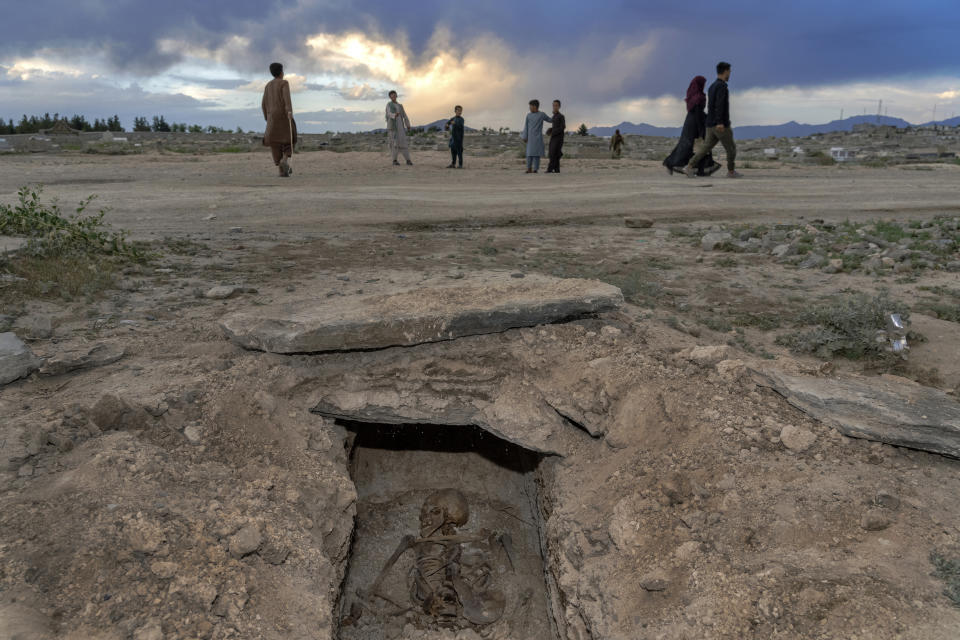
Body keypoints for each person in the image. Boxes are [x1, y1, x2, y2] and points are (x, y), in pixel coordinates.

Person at [685, 62, 741, 178]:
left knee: (706, 147)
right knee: (731, 149)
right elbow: (719, 105)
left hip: (710, 124)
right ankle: (731, 172)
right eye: (729, 71)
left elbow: (711, 106)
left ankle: (689, 166)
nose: (730, 74)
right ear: (725, 71)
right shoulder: (722, 86)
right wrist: (720, 122)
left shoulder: (712, 86)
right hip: (720, 125)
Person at [663, 76, 721, 176]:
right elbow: (698, 113)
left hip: (690, 122)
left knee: (686, 146)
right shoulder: (699, 96)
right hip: (696, 124)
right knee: (700, 147)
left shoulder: (692, 95)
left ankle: (675, 164)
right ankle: (699, 170)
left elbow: (695, 112)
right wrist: (701, 130)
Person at [261, 62, 297, 177]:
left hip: (271, 117)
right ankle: (285, 160)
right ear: (281, 72)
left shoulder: (268, 86)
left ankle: (281, 170)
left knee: (275, 143)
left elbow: (263, 104)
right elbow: (287, 98)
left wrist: (267, 117)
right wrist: (289, 111)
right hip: (283, 115)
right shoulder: (284, 83)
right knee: (290, 138)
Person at [520, 99, 552, 173]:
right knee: (529, 154)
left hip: (538, 138)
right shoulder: (528, 115)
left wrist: (556, 116)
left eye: (530, 106)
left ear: (535, 106)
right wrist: (524, 136)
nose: (530, 108)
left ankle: (535, 169)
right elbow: (526, 126)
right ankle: (529, 168)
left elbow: (550, 120)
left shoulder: (542, 114)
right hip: (530, 138)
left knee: (536, 154)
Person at [386, 90, 413, 166]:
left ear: (396, 96)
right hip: (393, 127)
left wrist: (407, 124)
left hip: (400, 127)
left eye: (394, 95)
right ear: (390, 97)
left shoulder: (400, 106)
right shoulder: (389, 105)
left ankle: (408, 160)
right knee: (394, 144)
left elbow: (404, 115)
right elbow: (388, 114)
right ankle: (394, 160)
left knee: (403, 142)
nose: (393, 96)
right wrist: (394, 115)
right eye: (392, 95)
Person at [545, 100, 566, 173]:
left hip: (559, 138)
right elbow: (554, 126)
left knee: (554, 152)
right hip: (553, 137)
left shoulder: (561, 116)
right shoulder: (554, 116)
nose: (554, 107)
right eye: (553, 105)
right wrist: (550, 130)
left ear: (559, 106)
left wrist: (553, 131)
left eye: (556, 105)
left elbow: (563, 127)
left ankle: (550, 169)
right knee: (553, 153)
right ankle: (557, 169)